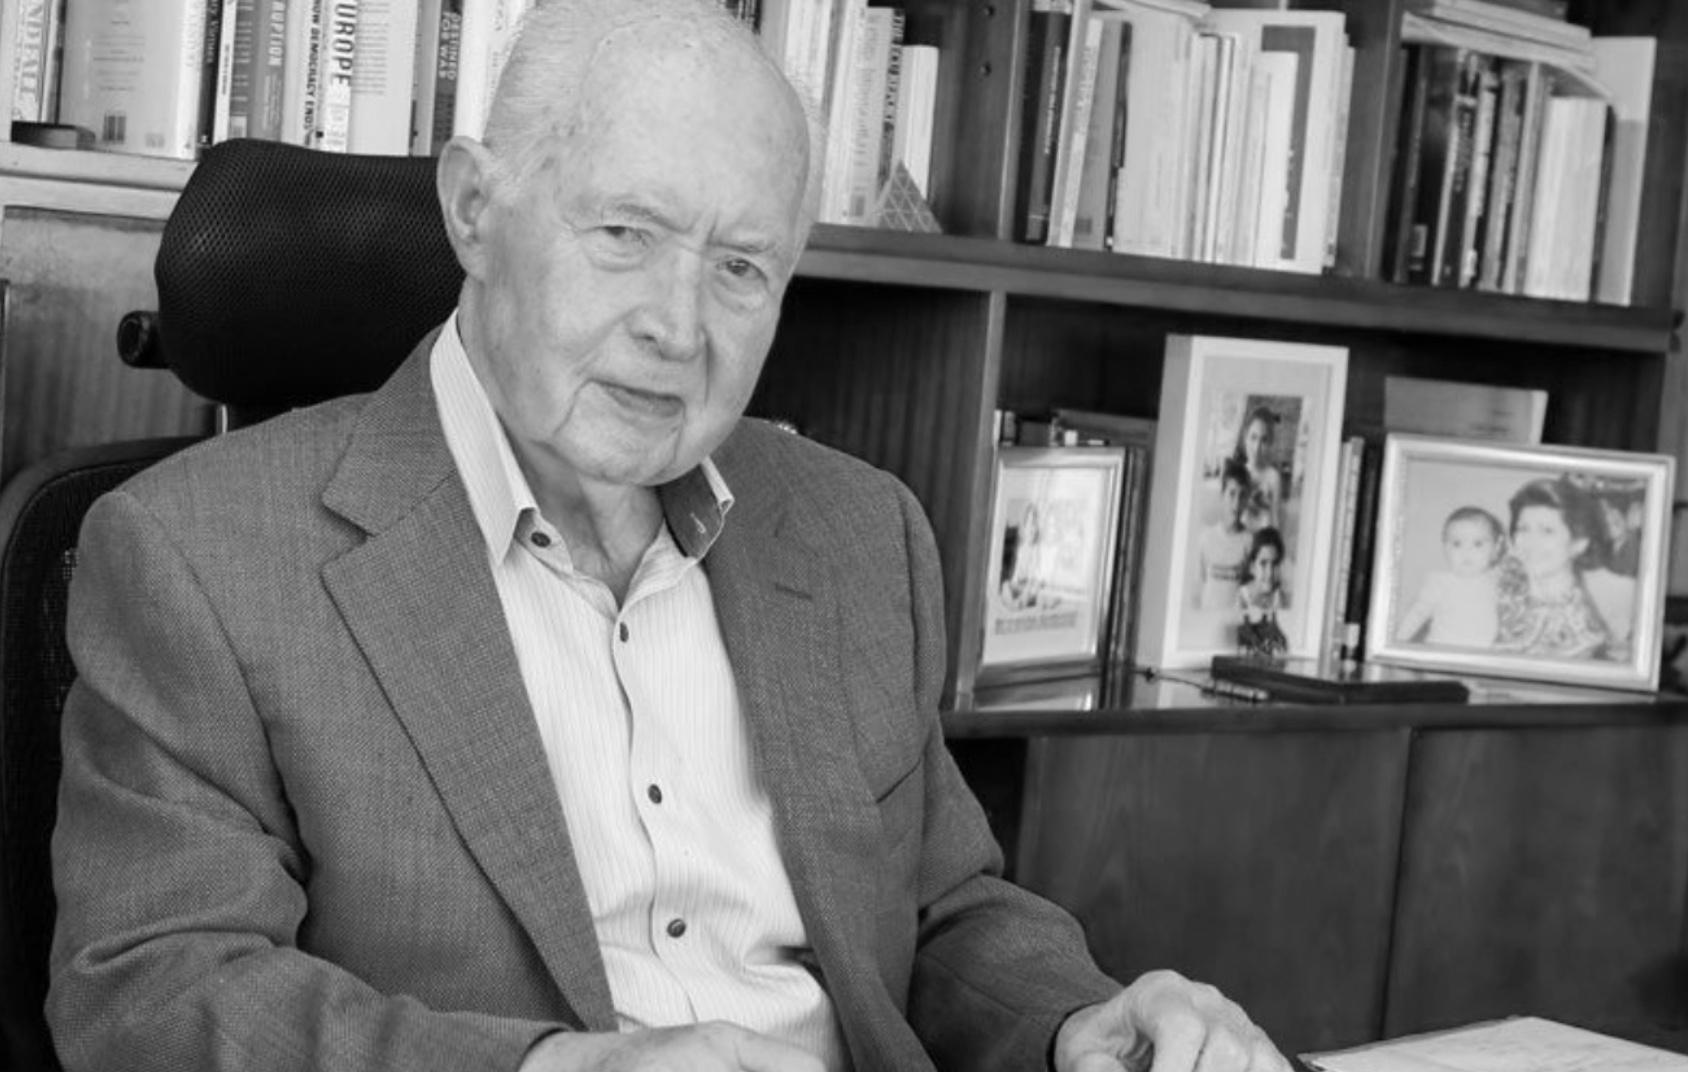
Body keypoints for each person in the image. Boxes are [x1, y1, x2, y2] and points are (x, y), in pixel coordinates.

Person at [46, 2, 1290, 1072]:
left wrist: (1075, 1020)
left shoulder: (860, 532)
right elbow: (151, 990)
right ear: (474, 210)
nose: (678, 327)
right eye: (624, 234)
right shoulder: (199, 556)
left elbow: (937, 908)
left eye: (740, 267)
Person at [1495, 477, 1634, 660]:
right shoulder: (1498, 594)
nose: (1530, 542)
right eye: (1523, 529)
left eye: (1547, 531)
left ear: (1579, 543)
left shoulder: (1608, 601)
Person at [1395, 506, 1505, 648]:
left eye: (1478, 544)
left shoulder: (1496, 582)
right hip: (1441, 650)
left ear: (1496, 548)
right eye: (1457, 544)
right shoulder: (1439, 583)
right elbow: (1417, 614)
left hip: (1480, 654)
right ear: (1445, 548)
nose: (1466, 551)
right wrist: (1398, 641)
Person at [1197, 459, 1255, 611]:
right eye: (1232, 494)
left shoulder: (1250, 542)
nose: (1236, 503)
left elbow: (1248, 589)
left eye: (1242, 496)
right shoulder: (1206, 538)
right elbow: (1201, 582)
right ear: (1222, 495)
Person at [1234, 527, 1288, 656]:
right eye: (1263, 563)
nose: (1269, 573)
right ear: (1252, 567)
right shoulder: (1241, 599)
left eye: (1275, 564)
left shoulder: (1281, 598)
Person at [1231, 405, 1282, 530]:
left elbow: (1275, 519)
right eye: (1253, 438)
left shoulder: (1273, 477)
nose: (1257, 447)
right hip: (1241, 536)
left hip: (1263, 538)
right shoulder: (1239, 472)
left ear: (1270, 443)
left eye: (1263, 440)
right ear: (1245, 438)